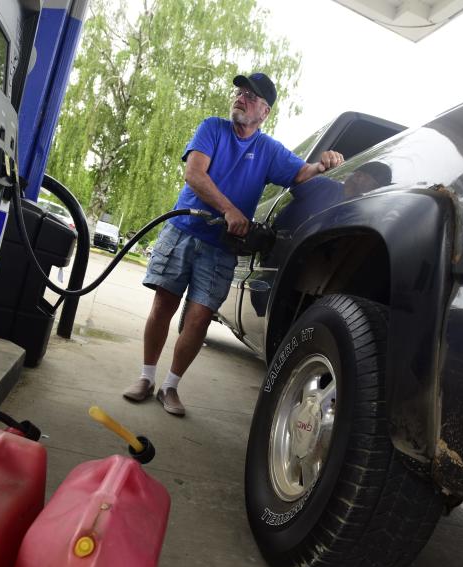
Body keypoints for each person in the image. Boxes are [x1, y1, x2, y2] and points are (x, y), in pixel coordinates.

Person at [122, 72, 344, 416]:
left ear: (264, 112)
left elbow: (301, 173)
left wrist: (324, 164)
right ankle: (146, 377)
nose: (241, 98)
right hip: (184, 229)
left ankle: (170, 387)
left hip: (221, 248)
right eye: (240, 92)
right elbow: (194, 174)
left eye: (251, 97)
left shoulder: (268, 150)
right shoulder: (212, 128)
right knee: (163, 304)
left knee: (197, 319)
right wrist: (229, 210)